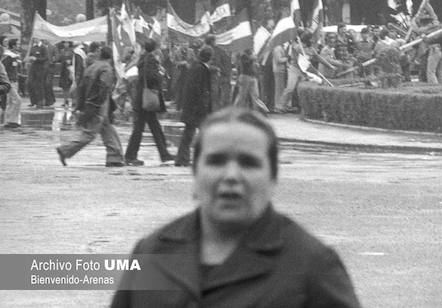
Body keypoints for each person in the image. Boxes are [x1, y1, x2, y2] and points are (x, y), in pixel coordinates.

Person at [110, 107, 361, 307]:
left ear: (272, 178)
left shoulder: (311, 266)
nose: (231, 175)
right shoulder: (153, 252)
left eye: (248, 163)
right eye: (216, 161)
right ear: (195, 173)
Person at [55, 46, 126, 167]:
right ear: (110, 57)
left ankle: (114, 156)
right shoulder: (106, 69)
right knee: (90, 133)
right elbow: (104, 87)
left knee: (107, 128)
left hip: (91, 102)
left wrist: (80, 105)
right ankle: (65, 150)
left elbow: (81, 87)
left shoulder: (91, 67)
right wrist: (99, 103)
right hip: (99, 103)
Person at [123, 39, 175, 166]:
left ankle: (164, 154)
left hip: (142, 98)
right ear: (155, 48)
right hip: (145, 99)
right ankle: (130, 156)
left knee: (154, 128)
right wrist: (161, 75)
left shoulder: (143, 58)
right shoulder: (150, 59)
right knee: (139, 129)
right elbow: (151, 77)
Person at [175, 45, 215, 166]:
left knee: (189, 134)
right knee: (203, 134)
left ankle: (182, 158)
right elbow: (199, 90)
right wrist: (203, 105)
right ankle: (203, 159)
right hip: (197, 109)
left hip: (193, 107)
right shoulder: (201, 69)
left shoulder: (196, 67)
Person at [232, 50, 268, 114]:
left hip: (252, 77)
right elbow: (246, 63)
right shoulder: (244, 56)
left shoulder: (253, 57)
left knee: (255, 95)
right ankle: (236, 111)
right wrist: (252, 58)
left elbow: (255, 65)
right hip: (245, 76)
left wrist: (256, 61)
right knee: (242, 96)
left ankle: (261, 110)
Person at [1, 38, 22, 128]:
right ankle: (12, 121)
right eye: (17, 44)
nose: (18, 46)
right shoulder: (8, 56)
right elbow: (3, 70)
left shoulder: (15, 56)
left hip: (14, 81)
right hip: (9, 81)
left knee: (11, 101)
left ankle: (10, 121)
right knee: (17, 100)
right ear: (13, 45)